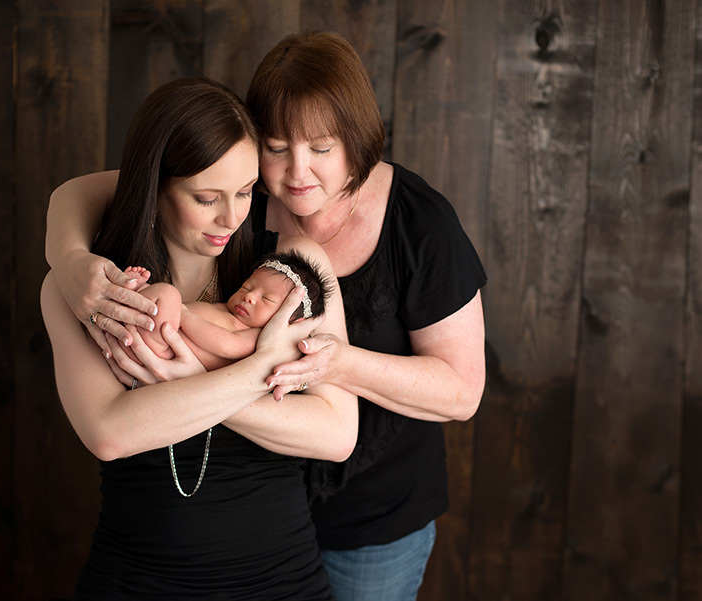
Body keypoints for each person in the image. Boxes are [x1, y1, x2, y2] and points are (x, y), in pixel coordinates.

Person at [46, 31, 487, 601]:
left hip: (368, 517)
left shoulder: (391, 231)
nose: (296, 174)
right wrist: (69, 256)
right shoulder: (241, 211)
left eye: (322, 149)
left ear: (355, 141)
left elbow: (449, 395)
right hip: (229, 527)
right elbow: (113, 186)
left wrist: (323, 361)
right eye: (276, 149)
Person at [41, 76, 357, 599]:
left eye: (244, 192)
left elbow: (336, 433)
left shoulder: (290, 272)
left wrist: (191, 379)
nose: (232, 217)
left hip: (283, 583)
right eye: (206, 198)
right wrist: (257, 373)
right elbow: (109, 434)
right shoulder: (90, 291)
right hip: (138, 582)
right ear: (156, 186)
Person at [124, 250, 333, 370]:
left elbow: (226, 345)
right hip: (152, 335)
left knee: (168, 294)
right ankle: (135, 293)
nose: (249, 297)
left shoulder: (257, 336)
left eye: (266, 299)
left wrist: (185, 315)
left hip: (163, 351)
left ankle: (136, 293)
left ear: (286, 320)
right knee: (163, 297)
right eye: (247, 287)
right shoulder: (227, 309)